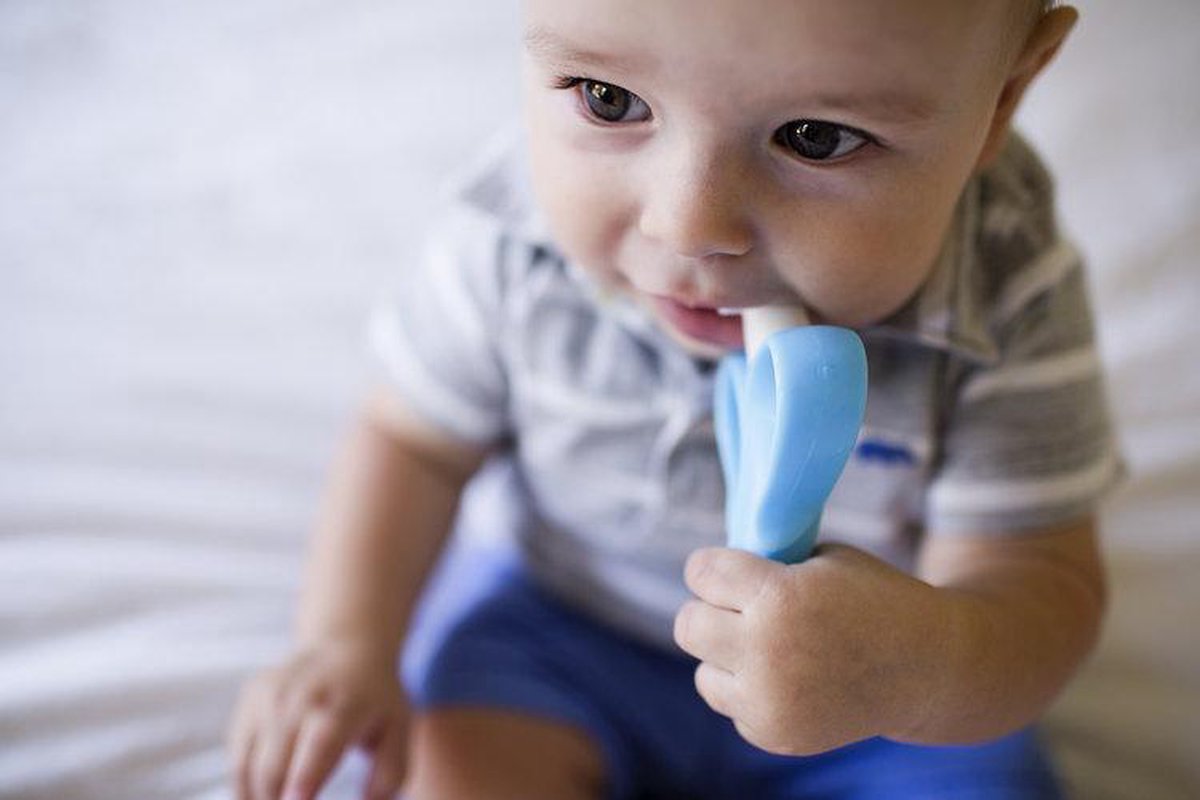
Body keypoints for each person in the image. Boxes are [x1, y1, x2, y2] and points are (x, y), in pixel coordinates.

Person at [228, 0, 1123, 797]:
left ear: (1006, 92)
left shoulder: (1005, 289)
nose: (686, 224)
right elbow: (411, 441)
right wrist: (347, 642)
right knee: (450, 772)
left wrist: (921, 673)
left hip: (878, 696)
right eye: (609, 100)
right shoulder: (511, 239)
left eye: (815, 136)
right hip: (562, 635)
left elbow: (1036, 582)